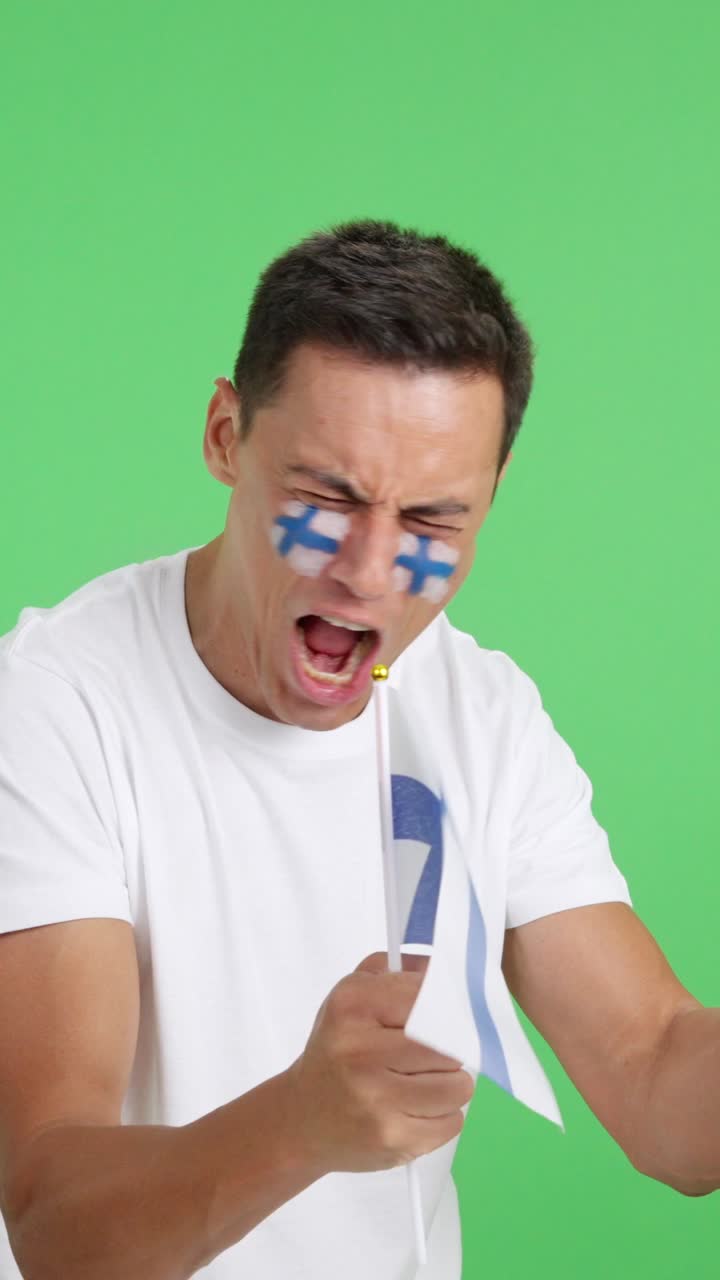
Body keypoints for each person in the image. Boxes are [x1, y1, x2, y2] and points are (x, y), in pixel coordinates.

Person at [0, 219, 714, 1280]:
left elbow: (660, 1085)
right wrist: (299, 1119)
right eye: (327, 498)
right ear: (225, 435)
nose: (371, 571)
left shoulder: (484, 714)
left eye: (432, 517)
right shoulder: (53, 702)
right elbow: (52, 1216)